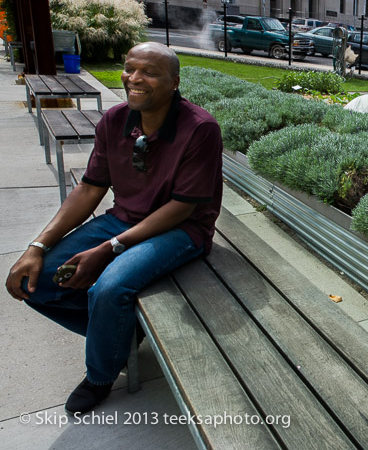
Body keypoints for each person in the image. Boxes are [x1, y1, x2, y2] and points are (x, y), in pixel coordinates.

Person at [5, 42, 223, 414]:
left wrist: (108, 249)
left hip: (183, 230)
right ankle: (121, 336)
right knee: (38, 281)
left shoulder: (200, 128)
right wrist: (36, 246)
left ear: (174, 82)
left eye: (150, 72)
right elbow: (90, 187)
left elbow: (182, 207)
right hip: (122, 218)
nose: (134, 78)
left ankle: (100, 375)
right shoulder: (114, 120)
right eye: (129, 68)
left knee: (108, 288)